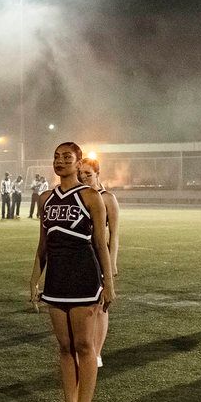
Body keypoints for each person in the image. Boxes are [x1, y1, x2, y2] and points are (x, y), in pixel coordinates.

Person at [30, 142, 114, 402]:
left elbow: (100, 244)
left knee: (84, 346)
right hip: (56, 278)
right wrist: (34, 278)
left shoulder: (91, 196)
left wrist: (109, 282)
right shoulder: (46, 198)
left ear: (79, 163)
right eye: (56, 156)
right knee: (64, 348)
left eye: (67, 157)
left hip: (83, 277)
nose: (60, 161)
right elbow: (43, 243)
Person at [79, 157, 119, 368]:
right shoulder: (78, 197)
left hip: (99, 255)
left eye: (88, 173)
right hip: (81, 257)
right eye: (82, 174)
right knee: (85, 305)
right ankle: (85, 348)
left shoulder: (107, 198)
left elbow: (114, 235)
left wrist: (111, 265)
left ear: (97, 174)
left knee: (101, 306)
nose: (84, 177)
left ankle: (97, 352)